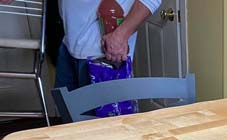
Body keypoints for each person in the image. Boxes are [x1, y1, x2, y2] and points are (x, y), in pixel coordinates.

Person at [0, 0, 161, 90]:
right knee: (70, 121)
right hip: (69, 47)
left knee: (106, 130)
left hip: (104, 54)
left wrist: (121, 36)